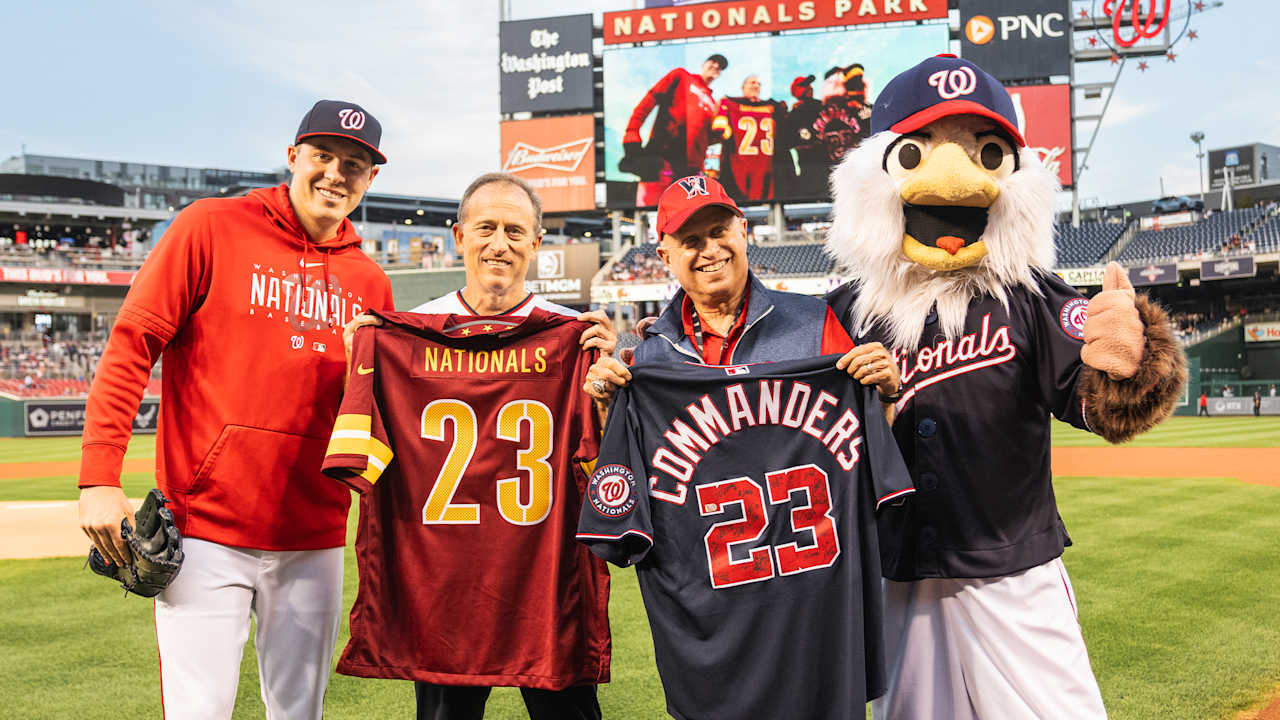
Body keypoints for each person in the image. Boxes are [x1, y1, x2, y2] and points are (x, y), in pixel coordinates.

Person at [77, 99, 394, 719]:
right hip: (205, 531)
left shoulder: (371, 283)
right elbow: (131, 343)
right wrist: (98, 478)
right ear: (293, 157)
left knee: (299, 713)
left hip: (315, 536)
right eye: (323, 156)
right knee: (199, 710)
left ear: (370, 180)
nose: (336, 173)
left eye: (354, 165)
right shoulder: (210, 226)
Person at [344, 172, 616, 720]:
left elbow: (609, 470)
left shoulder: (578, 336)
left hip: (547, 580)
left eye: (516, 231)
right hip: (442, 589)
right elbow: (357, 461)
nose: (500, 243)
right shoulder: (402, 337)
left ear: (537, 245)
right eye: (487, 228)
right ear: (459, 236)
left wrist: (609, 391)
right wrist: (364, 358)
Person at [584, 173, 900, 415]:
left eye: (719, 232)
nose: (710, 250)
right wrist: (605, 403)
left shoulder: (815, 323)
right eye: (692, 241)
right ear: (666, 257)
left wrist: (885, 395)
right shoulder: (649, 359)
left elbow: (863, 443)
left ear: (743, 232)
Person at [619, 54, 726, 207]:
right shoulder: (681, 76)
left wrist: (719, 136)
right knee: (653, 213)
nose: (716, 66)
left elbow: (703, 139)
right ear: (704, 64)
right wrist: (632, 132)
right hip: (663, 159)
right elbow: (649, 100)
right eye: (713, 61)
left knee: (686, 221)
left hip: (691, 172)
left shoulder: (713, 104)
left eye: (720, 66)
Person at [711, 74, 784, 201]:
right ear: (743, 87)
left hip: (765, 167)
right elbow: (718, 130)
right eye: (752, 82)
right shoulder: (728, 104)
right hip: (738, 166)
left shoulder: (773, 108)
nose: (756, 85)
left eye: (759, 84)